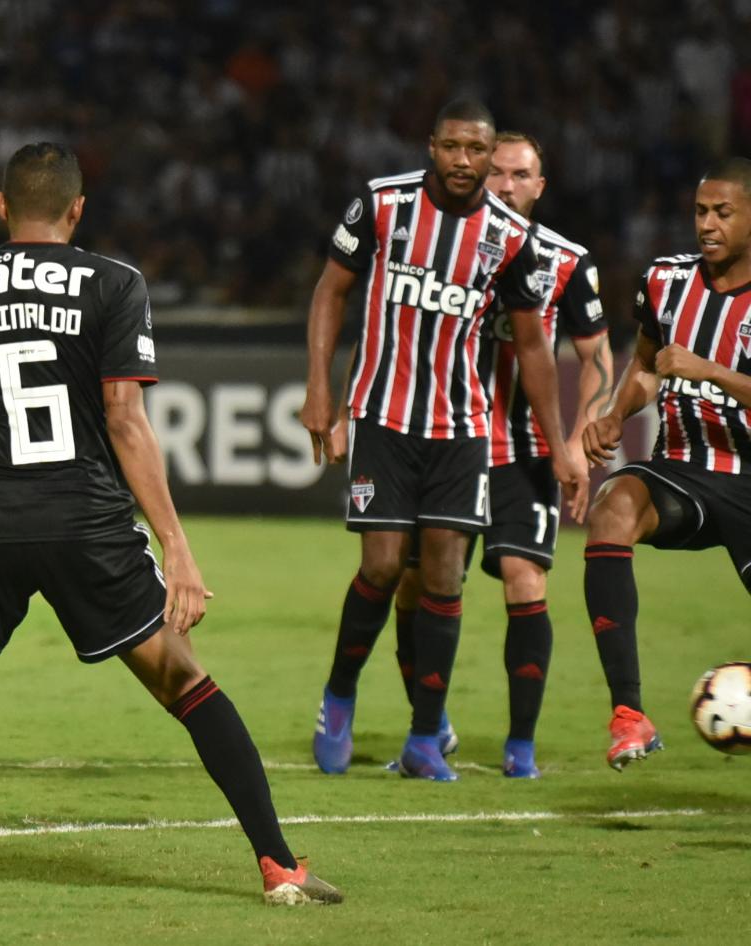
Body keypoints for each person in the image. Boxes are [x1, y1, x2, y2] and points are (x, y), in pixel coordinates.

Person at [0, 142, 343, 907]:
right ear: (78, 210)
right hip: (87, 524)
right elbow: (126, 419)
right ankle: (280, 866)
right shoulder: (114, 285)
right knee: (187, 682)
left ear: (3, 206)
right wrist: (177, 547)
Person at [300, 98, 588, 782]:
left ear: (491, 157)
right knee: (379, 566)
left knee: (440, 577)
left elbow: (534, 346)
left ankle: (425, 738)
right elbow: (330, 293)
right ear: (432, 146)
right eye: (453, 146)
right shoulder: (380, 205)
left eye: (476, 150)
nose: (464, 160)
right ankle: (339, 696)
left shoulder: (512, 239)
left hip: (462, 429)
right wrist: (320, 390)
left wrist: (558, 444)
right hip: (383, 417)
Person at [384, 132, 615, 778]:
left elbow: (598, 359)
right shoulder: (444, 245)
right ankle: (429, 728)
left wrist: (576, 441)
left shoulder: (567, 262)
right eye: (499, 173)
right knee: (414, 582)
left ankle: (521, 746)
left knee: (524, 577)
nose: (506, 185)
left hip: (521, 450)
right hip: (438, 438)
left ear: (540, 186)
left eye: (521, 175)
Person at [582, 157, 751, 770]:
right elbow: (647, 365)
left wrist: (712, 372)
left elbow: (692, 368)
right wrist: (613, 413)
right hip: (680, 469)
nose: (707, 224)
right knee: (612, 509)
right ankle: (629, 714)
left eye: (723, 213)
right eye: (701, 212)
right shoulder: (665, 280)